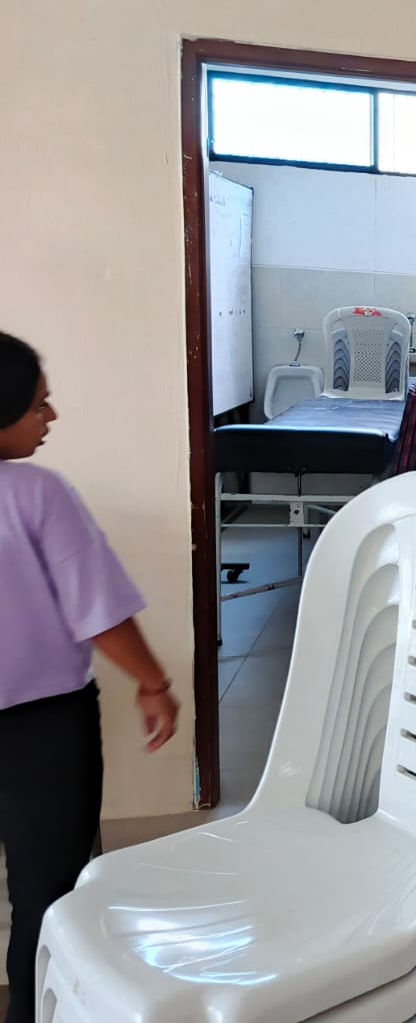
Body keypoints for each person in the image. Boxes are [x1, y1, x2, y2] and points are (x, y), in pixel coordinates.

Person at [0, 332, 179, 1023]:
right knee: (47, 897)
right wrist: (153, 683)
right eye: (38, 405)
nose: (52, 416)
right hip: (40, 729)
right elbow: (98, 610)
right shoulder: (36, 494)